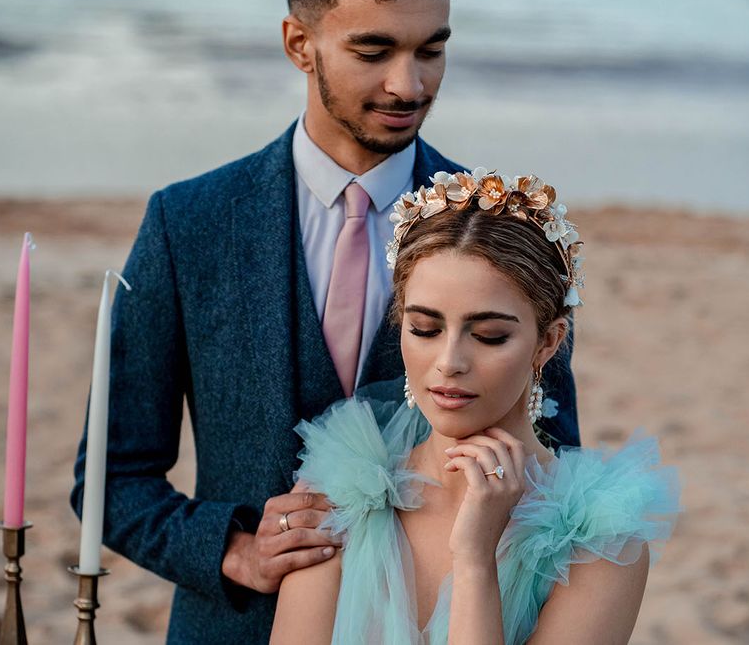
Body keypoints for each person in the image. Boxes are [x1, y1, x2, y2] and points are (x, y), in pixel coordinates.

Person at [70, 0, 580, 643]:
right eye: (374, 51)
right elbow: (111, 477)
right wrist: (233, 551)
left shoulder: (501, 232)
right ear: (298, 43)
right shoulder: (188, 224)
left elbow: (553, 457)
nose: (409, 85)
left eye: (431, 50)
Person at [270, 171, 680, 644]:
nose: (449, 363)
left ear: (548, 342)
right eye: (424, 329)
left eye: (489, 336)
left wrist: (474, 560)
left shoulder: (602, 540)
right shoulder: (339, 489)